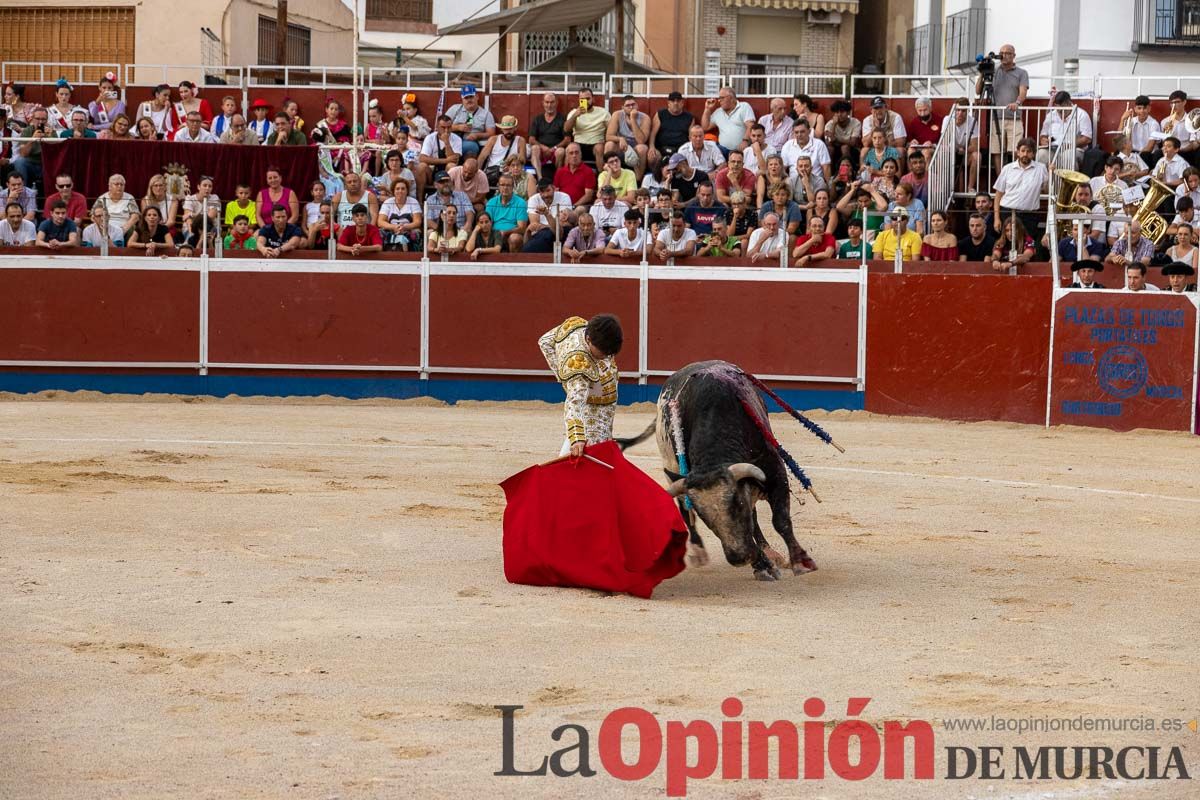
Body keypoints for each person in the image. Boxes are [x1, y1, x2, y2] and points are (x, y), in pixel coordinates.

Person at [538, 314, 623, 456]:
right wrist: (577, 437)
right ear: (588, 340)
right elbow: (574, 404)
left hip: (600, 404)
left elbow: (545, 342)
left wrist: (562, 373)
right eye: (603, 352)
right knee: (595, 456)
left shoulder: (578, 326)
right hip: (593, 410)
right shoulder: (579, 368)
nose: (607, 356)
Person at [977, 44, 1029, 172]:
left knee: (1016, 150)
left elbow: (1023, 92)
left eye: (1007, 53)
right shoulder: (993, 71)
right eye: (1001, 53)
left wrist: (1017, 103)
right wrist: (982, 73)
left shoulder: (1021, 73)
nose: (1003, 56)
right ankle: (1001, 180)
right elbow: (978, 91)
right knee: (997, 150)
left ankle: (1015, 176)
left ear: (1014, 56)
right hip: (996, 118)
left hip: (1014, 117)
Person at [992, 138, 1047, 238]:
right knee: (1006, 246)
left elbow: (1047, 190)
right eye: (1023, 151)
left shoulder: (1041, 169)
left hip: (1029, 216)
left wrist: (1052, 173)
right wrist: (996, 218)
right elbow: (998, 195)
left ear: (1033, 154)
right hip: (1007, 212)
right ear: (1018, 152)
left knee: (1028, 247)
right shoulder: (1007, 168)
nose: (1025, 154)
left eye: (1029, 151)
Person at [1036, 90, 1093, 167]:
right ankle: (1045, 179)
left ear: (1068, 103)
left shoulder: (1081, 115)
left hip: (1075, 149)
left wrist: (1070, 145)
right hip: (1053, 149)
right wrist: (1044, 141)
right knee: (1041, 154)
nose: (1059, 112)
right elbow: (1043, 135)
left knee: (1067, 157)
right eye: (1057, 109)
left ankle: (1066, 179)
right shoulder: (1051, 115)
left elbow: (1087, 138)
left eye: (1062, 109)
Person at [605, 95, 650, 180]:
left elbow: (641, 141)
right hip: (621, 146)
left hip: (636, 148)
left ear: (637, 105)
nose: (631, 107)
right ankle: (609, 177)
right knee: (609, 145)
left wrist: (633, 119)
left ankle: (638, 180)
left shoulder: (645, 118)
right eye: (628, 105)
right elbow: (608, 136)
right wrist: (620, 139)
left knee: (642, 148)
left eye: (633, 104)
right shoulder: (617, 115)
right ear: (623, 108)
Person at [443, 84, 494, 159]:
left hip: (470, 141)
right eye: (466, 98)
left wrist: (477, 135)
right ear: (462, 99)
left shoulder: (486, 114)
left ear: (477, 97)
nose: (469, 100)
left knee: (471, 147)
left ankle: (467, 168)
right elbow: (441, 125)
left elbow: (491, 133)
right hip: (452, 139)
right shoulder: (455, 109)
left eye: (471, 97)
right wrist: (458, 127)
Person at [702, 87, 755, 155]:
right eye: (719, 98)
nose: (719, 100)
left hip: (740, 151)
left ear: (731, 98)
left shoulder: (744, 106)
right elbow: (705, 127)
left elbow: (751, 126)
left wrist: (745, 141)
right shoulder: (718, 112)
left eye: (722, 98)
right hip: (722, 150)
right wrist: (707, 109)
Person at [943, 98, 980, 193]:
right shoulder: (947, 119)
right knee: (944, 151)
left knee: (977, 156)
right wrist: (955, 123)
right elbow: (944, 142)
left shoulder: (972, 121)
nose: (960, 113)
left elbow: (975, 146)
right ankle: (944, 188)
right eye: (957, 110)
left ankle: (970, 188)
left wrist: (964, 149)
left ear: (967, 111)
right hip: (950, 152)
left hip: (966, 152)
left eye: (963, 111)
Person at [649, 91, 693, 168]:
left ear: (682, 103)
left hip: (681, 150)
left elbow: (691, 137)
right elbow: (653, 134)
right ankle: (656, 178)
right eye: (673, 101)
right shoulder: (660, 114)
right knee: (652, 157)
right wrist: (652, 147)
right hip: (662, 148)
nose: (675, 103)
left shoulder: (689, 117)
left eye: (678, 101)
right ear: (668, 103)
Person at [485, 174, 528, 252]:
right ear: (498, 186)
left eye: (508, 185)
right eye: (502, 185)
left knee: (515, 238)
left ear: (513, 187)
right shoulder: (491, 202)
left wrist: (505, 232)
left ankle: (513, 262)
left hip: (511, 235)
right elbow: (487, 223)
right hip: (494, 234)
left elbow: (522, 228)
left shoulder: (520, 203)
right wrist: (496, 234)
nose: (505, 188)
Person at [377, 179, 422, 252]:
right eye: (397, 189)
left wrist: (404, 227)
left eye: (403, 189)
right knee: (379, 232)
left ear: (407, 191)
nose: (400, 191)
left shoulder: (413, 202)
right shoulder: (388, 202)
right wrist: (394, 227)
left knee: (416, 233)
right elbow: (380, 221)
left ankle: (411, 256)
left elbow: (417, 221)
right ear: (393, 191)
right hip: (391, 229)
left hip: (408, 229)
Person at [424, 171, 475, 235]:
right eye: (441, 182)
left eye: (447, 181)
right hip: (440, 230)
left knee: (469, 231)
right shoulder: (431, 199)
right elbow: (428, 220)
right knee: (430, 232)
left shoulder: (462, 195)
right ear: (435, 185)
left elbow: (470, 211)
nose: (445, 184)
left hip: (461, 229)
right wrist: (444, 230)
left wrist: (468, 225)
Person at [529, 93, 568, 177]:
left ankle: (558, 179)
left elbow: (567, 139)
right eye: (547, 102)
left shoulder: (563, 119)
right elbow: (531, 139)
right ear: (543, 103)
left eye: (552, 102)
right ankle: (540, 179)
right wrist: (543, 147)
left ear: (556, 103)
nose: (549, 105)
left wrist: (553, 148)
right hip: (541, 151)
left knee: (561, 151)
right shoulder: (537, 119)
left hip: (556, 150)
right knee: (535, 148)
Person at [12, 105, 50, 189]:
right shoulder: (27, 131)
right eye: (38, 119)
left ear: (47, 120)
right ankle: (22, 191)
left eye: (43, 119)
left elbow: (54, 154)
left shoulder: (51, 131)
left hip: (46, 164)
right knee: (19, 161)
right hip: (31, 163)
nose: (40, 122)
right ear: (33, 119)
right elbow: (23, 154)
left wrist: (48, 138)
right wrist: (33, 139)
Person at [860, 96, 907, 165]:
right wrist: (875, 127)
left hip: (891, 148)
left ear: (886, 108)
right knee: (864, 150)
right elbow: (866, 143)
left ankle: (898, 175)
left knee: (901, 150)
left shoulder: (896, 117)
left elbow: (901, 142)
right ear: (871, 110)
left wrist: (882, 145)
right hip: (875, 149)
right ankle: (862, 174)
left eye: (881, 107)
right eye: (875, 108)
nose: (878, 111)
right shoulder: (867, 120)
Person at [480, 115, 526, 184]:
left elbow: (522, 160)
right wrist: (477, 174)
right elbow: (482, 158)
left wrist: (511, 163)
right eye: (505, 129)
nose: (508, 132)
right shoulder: (493, 139)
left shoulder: (520, 140)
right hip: (493, 173)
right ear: (501, 129)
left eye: (510, 129)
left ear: (515, 128)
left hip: (512, 173)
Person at [94, 174, 140, 239]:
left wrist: (124, 229)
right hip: (106, 225)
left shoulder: (129, 198)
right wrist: (102, 227)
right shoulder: (102, 198)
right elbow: (93, 216)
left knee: (132, 230)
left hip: (124, 226)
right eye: (116, 184)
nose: (119, 186)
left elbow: (135, 216)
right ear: (110, 186)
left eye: (122, 184)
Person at [420, 114, 463, 179]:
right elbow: (422, 158)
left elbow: (454, 160)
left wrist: (446, 142)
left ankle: (448, 187)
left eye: (449, 127)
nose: (446, 130)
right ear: (437, 127)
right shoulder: (430, 138)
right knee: (422, 166)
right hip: (433, 169)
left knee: (451, 165)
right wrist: (446, 160)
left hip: (447, 170)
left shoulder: (457, 139)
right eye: (443, 127)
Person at [823, 99, 861, 169]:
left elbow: (853, 143)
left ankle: (848, 172)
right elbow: (828, 142)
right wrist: (834, 125)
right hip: (835, 150)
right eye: (837, 112)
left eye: (842, 112)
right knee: (830, 149)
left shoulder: (855, 122)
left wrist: (836, 139)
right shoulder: (830, 124)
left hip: (852, 150)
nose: (839, 114)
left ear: (848, 113)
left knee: (845, 147)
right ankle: (829, 175)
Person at [906, 97, 940, 163]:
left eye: (925, 110)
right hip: (917, 148)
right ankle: (912, 173)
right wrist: (911, 143)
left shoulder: (939, 120)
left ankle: (926, 173)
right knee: (910, 150)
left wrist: (932, 144)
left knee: (926, 152)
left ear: (930, 109)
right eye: (920, 111)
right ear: (916, 110)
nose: (922, 113)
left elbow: (944, 140)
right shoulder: (914, 122)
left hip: (933, 148)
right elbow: (907, 143)